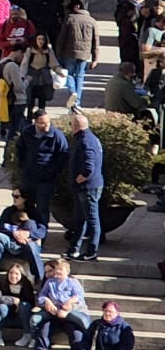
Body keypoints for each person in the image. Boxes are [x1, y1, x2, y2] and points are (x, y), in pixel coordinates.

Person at [30, 254, 89, 350]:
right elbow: (41, 296)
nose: (57, 273)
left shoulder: (73, 282)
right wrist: (47, 301)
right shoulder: (50, 283)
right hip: (53, 312)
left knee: (74, 330)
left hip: (69, 313)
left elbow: (79, 296)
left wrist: (69, 304)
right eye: (56, 270)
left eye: (60, 270)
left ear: (67, 271)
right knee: (44, 327)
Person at [67, 109, 104, 261]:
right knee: (80, 219)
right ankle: (74, 249)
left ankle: (91, 251)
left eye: (71, 124)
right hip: (86, 187)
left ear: (76, 126)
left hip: (88, 188)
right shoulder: (90, 138)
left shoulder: (85, 141)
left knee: (92, 219)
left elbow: (89, 167)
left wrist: (79, 178)